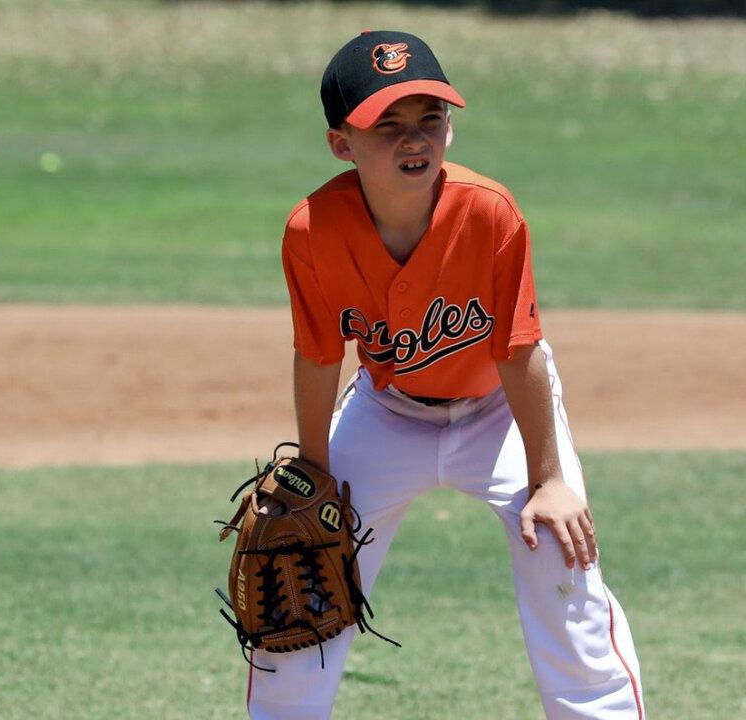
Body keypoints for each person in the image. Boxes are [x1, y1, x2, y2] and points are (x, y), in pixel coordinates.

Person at [248, 31, 645, 719]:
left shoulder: (489, 213)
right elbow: (318, 354)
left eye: (430, 118)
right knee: (305, 582)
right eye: (387, 124)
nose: (414, 139)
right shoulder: (312, 230)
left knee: (564, 564)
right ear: (341, 141)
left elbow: (518, 351)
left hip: (500, 416)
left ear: (451, 127)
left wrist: (549, 477)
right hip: (387, 412)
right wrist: (314, 469)